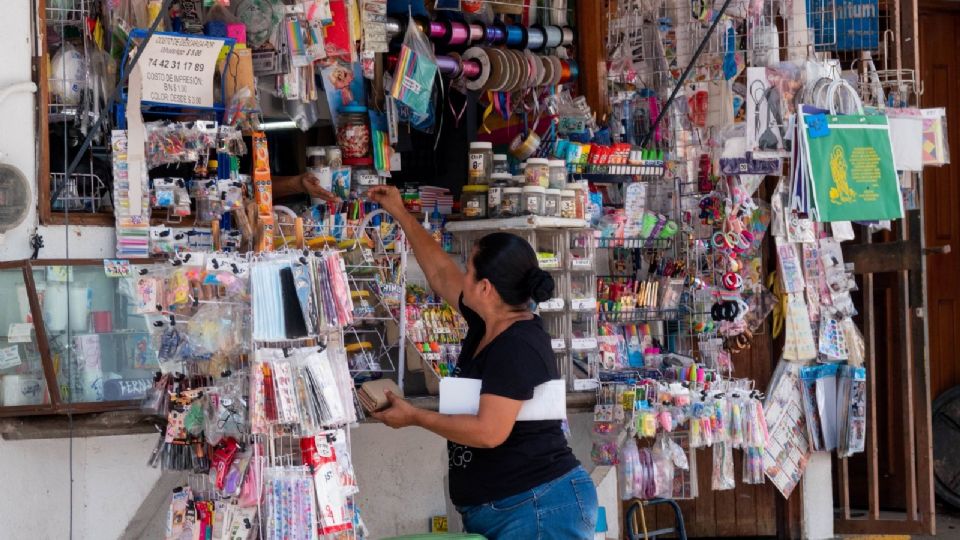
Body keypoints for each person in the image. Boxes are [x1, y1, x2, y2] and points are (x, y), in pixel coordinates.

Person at [366, 185, 598, 539]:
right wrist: (401, 213)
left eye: (469, 269)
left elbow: (489, 432)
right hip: (514, 507)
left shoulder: (518, 344)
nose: (462, 273)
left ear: (486, 288)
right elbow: (442, 274)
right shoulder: (486, 324)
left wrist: (414, 416)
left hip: (538, 507)